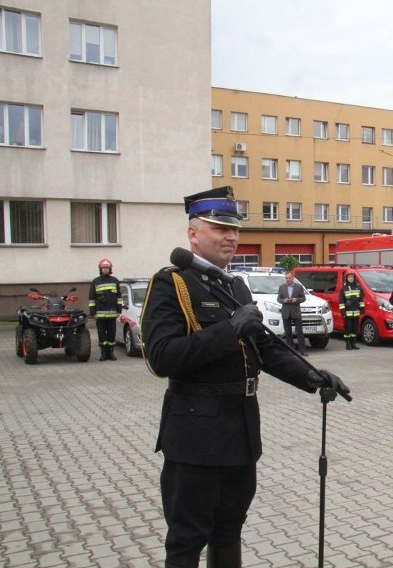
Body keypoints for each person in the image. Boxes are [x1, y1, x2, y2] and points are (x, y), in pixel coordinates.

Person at [141, 186, 349, 568]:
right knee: (187, 539)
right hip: (194, 435)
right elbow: (161, 357)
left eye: (234, 229)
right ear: (193, 233)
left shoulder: (234, 285)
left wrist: (312, 377)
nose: (231, 237)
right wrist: (229, 331)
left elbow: (264, 349)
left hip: (240, 431)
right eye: (220, 228)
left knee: (229, 529)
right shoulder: (172, 284)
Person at [88, 258, 123, 361]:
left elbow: (119, 297)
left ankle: (110, 352)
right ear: (100, 269)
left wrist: (119, 310)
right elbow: (91, 298)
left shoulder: (115, 281)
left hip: (112, 314)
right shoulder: (96, 281)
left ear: (110, 268)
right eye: (104, 268)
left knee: (112, 334)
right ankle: (103, 353)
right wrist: (93, 312)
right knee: (102, 335)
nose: (105, 269)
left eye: (107, 267)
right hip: (100, 314)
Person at [277, 271, 307, 355]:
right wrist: (284, 300)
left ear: (293, 277)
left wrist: (296, 300)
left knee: (299, 331)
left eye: (289, 278)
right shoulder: (281, 287)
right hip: (286, 312)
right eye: (286, 278)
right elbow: (278, 299)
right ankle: (291, 350)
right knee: (288, 332)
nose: (288, 280)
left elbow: (303, 298)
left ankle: (303, 350)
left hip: (296, 312)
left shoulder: (299, 287)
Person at [339, 270, 364, 350]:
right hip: (347, 314)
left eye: (352, 277)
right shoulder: (344, 289)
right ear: (346, 278)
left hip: (356, 313)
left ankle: (353, 343)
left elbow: (361, 299)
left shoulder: (358, 287)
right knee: (348, 329)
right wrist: (343, 312)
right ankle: (348, 344)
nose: (351, 278)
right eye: (349, 277)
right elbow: (341, 302)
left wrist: (362, 310)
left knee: (355, 329)